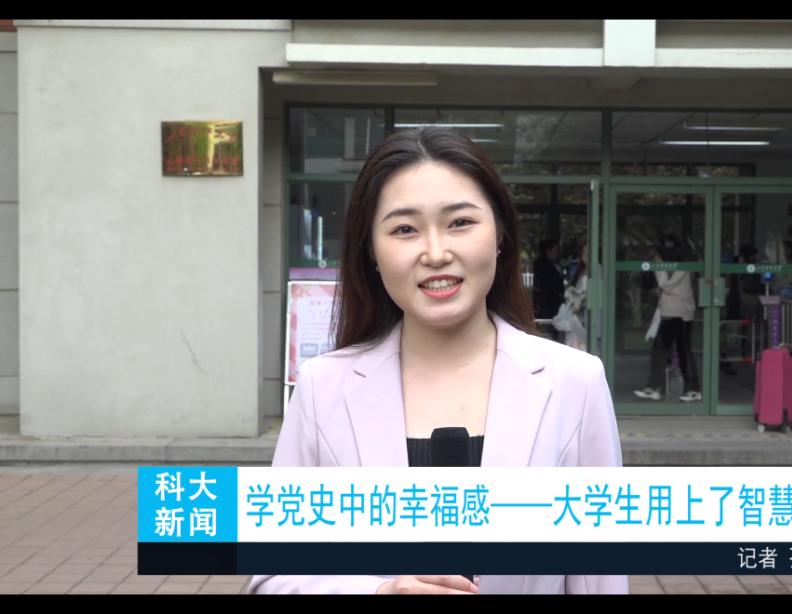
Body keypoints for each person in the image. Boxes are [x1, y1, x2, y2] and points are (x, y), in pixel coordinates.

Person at [247, 127, 626, 595]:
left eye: (460, 222)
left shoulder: (577, 383)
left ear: (500, 234)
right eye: (404, 229)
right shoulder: (322, 387)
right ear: (371, 251)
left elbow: (600, 578)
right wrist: (379, 593)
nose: (436, 253)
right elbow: (273, 576)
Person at [633, 244, 702, 403]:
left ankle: (691, 388)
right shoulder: (675, 270)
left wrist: (659, 268)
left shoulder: (681, 270)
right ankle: (656, 387)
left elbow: (665, 285)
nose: (655, 260)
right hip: (670, 315)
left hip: (680, 316)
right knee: (662, 350)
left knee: (680, 351)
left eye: (658, 257)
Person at [532, 238, 565, 338]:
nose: (557, 253)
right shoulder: (544, 267)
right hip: (547, 306)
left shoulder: (548, 265)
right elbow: (552, 286)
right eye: (555, 250)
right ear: (548, 251)